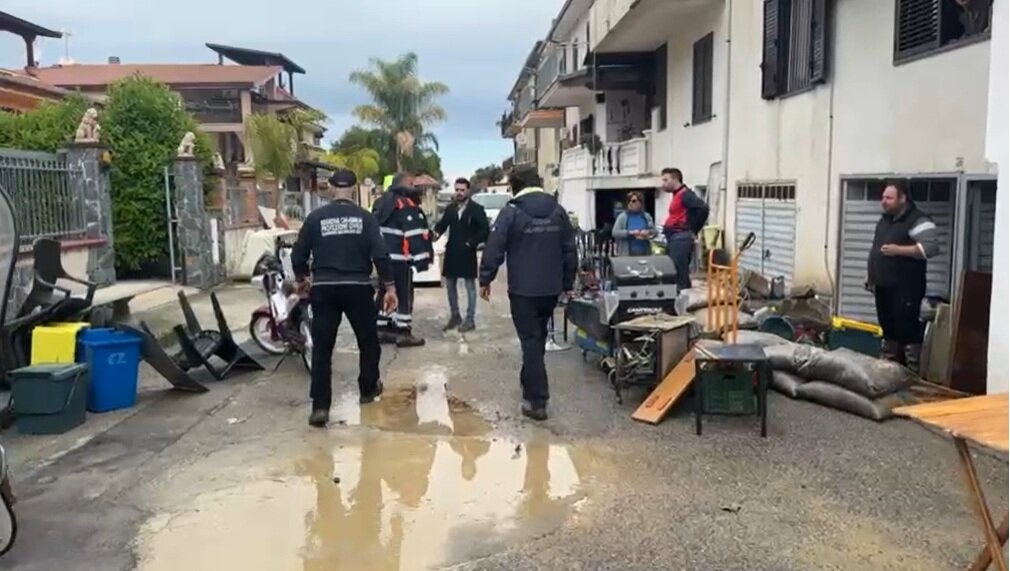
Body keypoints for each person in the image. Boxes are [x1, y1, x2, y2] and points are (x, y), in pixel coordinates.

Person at [291, 168, 397, 428]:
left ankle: (320, 406)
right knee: (368, 342)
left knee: (322, 349)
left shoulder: (315, 218)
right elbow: (381, 255)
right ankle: (368, 389)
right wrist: (390, 287)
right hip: (358, 287)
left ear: (329, 186)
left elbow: (298, 254)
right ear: (354, 187)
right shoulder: (365, 218)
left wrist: (302, 278)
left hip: (325, 288)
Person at [479, 165, 577, 421]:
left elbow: (494, 246)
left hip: (523, 289)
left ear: (514, 185)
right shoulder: (558, 211)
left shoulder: (511, 212)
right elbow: (569, 249)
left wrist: (485, 277)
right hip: (550, 289)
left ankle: (537, 400)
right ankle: (528, 382)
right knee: (538, 336)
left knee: (531, 342)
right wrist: (568, 282)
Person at [867, 180, 939, 370]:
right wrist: (871, 278)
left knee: (908, 334)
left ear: (903, 198)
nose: (884, 201)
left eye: (889, 198)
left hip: (906, 291)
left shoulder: (918, 220)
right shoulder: (884, 221)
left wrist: (899, 250)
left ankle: (912, 377)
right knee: (889, 333)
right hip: (884, 289)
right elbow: (876, 251)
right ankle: (890, 373)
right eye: (883, 197)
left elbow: (931, 248)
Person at [371, 173, 434, 347]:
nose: (415, 186)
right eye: (411, 183)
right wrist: (422, 260)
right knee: (404, 293)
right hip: (400, 258)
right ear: (403, 184)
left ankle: (382, 327)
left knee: (385, 290)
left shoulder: (381, 202)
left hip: (383, 258)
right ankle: (404, 331)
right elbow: (414, 234)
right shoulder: (405, 204)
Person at [433, 177, 489, 332]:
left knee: (470, 286)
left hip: (467, 252)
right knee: (450, 285)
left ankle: (470, 319)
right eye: (457, 190)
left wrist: (472, 242)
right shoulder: (451, 208)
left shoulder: (476, 209)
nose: (459, 193)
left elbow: (484, 230)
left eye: (462, 190)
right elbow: (442, 225)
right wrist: (435, 233)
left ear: (468, 191)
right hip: (452, 251)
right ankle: (455, 316)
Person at [659, 167, 709, 290]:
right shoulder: (677, 195)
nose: (663, 184)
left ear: (675, 179)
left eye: (666, 180)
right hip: (675, 237)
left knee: (679, 271)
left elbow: (703, 209)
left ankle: (681, 299)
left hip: (681, 237)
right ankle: (683, 298)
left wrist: (693, 229)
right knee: (678, 271)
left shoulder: (685, 194)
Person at [611, 191, 656, 256]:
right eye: (629, 201)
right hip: (627, 254)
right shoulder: (622, 217)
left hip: (644, 253)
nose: (630, 203)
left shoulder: (646, 216)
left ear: (640, 203)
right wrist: (630, 233)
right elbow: (615, 232)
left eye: (634, 201)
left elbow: (654, 232)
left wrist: (647, 232)